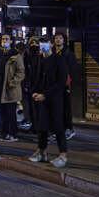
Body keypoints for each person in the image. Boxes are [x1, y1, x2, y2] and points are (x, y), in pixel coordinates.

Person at [28, 36, 69, 167]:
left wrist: (45, 94)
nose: (43, 45)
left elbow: (61, 81)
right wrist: (34, 91)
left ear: (51, 44)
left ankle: (63, 155)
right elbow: (34, 78)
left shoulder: (59, 59)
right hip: (40, 97)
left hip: (55, 98)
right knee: (41, 126)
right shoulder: (38, 59)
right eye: (41, 43)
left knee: (58, 126)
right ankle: (41, 151)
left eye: (45, 43)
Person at [0, 41, 25, 142]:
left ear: (11, 42)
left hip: (10, 88)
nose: (4, 41)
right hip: (0, 88)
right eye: (3, 39)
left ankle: (12, 133)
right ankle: (4, 133)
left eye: (6, 39)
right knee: (2, 112)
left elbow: (21, 72)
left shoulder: (16, 56)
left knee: (10, 112)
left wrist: (13, 82)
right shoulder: (0, 55)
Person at [54, 32, 77, 140]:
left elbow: (72, 71)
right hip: (55, 86)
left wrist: (68, 86)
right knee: (57, 109)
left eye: (60, 38)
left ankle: (69, 129)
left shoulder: (68, 54)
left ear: (64, 40)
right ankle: (59, 129)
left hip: (65, 86)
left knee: (66, 108)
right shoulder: (53, 53)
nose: (58, 40)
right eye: (56, 38)